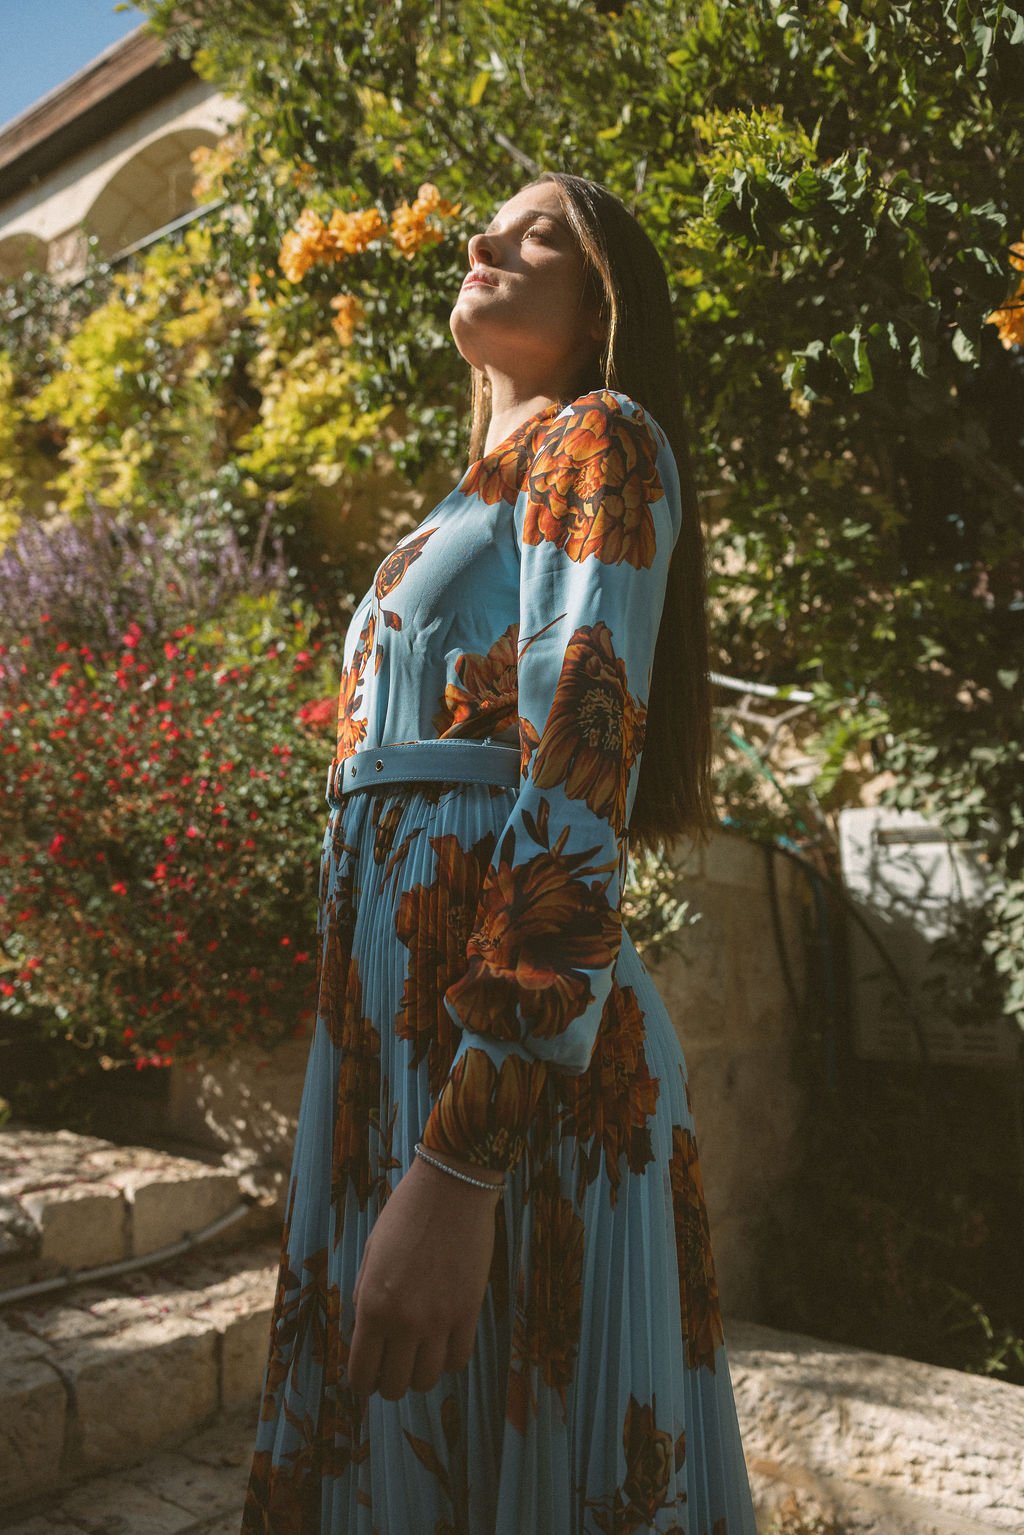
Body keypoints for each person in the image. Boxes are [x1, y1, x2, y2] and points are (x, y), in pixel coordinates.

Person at [241, 170, 759, 1535]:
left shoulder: (602, 437)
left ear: (601, 312)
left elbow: (578, 784)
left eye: (543, 237)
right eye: (493, 225)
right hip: (386, 1053)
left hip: (508, 1085)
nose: (484, 242)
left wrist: (464, 1161)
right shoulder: (470, 497)